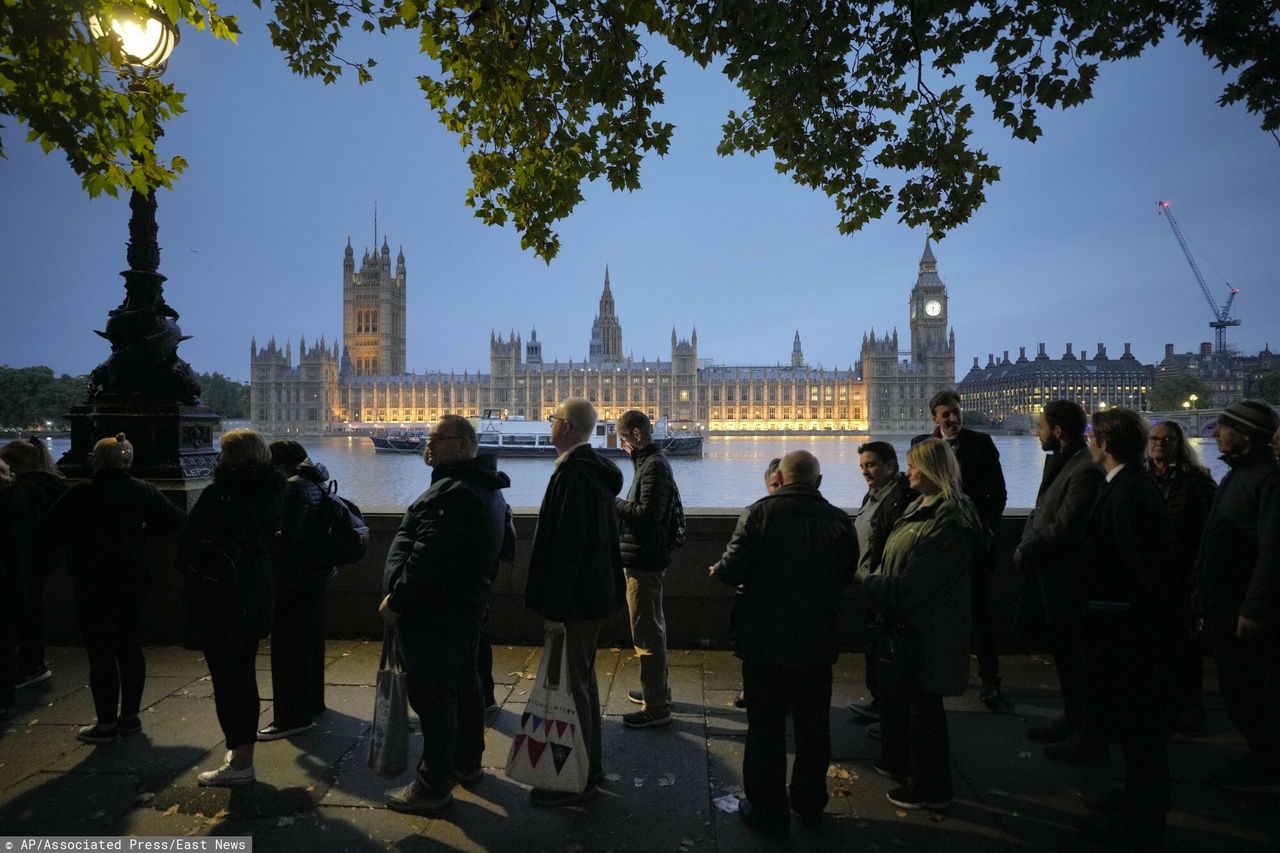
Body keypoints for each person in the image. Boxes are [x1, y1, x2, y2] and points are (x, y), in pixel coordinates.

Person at [709, 450, 856, 839]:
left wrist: (722, 569)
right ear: (817, 482)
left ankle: (768, 811)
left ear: (783, 478)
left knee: (765, 729)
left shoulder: (758, 514)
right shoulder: (841, 521)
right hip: (817, 641)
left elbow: (731, 571)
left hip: (765, 641)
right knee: (813, 727)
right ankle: (809, 804)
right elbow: (846, 576)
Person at [380, 414, 514, 814]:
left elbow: (428, 558)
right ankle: (466, 764)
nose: (428, 443)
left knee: (433, 698)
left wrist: (398, 600)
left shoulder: (455, 492)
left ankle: (432, 786)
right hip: (468, 607)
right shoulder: (487, 489)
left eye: (437, 438)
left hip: (435, 614)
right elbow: (504, 549)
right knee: (466, 684)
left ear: (462, 444)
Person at [856, 438, 986, 812]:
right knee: (913, 705)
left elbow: (917, 584)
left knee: (925, 712)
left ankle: (932, 788)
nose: (907, 472)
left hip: (928, 628)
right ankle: (907, 767)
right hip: (908, 624)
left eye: (913, 466)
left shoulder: (949, 518)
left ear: (931, 471)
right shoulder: (922, 504)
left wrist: (864, 583)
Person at [1074, 408, 1179, 850]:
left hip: (1129, 629)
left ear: (1105, 444)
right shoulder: (1129, 485)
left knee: (1140, 727)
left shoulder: (1129, 493)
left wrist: (1114, 612)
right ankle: (1135, 796)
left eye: (1093, 435)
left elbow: (1142, 569)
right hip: (1126, 624)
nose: (1089, 442)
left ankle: (1143, 819)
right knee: (1134, 727)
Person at [41, 433, 185, 743]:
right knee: (129, 645)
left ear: (98, 460)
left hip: (94, 579)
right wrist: (143, 530)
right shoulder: (142, 490)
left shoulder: (82, 493)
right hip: (134, 577)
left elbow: (48, 528)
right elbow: (176, 521)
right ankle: (130, 717)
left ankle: (105, 724)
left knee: (101, 652)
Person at [524, 397, 625, 807]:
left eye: (552, 418)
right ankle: (590, 765)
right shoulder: (593, 472)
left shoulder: (572, 476)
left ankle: (577, 781)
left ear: (565, 427)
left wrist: (555, 609)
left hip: (576, 601)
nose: (549, 424)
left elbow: (567, 548)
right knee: (582, 681)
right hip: (594, 594)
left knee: (573, 687)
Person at [178, 429, 283, 787]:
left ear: (234, 459)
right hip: (256, 595)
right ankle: (243, 752)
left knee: (228, 681)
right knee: (244, 676)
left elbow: (191, 543)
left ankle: (240, 762)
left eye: (222, 453)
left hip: (223, 599)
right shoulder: (273, 491)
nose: (217, 459)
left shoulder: (221, 495)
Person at [1193, 400, 1280, 792]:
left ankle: (1265, 762)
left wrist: (1254, 607)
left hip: (1241, 606)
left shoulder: (1268, 482)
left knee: (1250, 688)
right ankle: (1259, 754)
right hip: (1221, 600)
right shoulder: (1237, 476)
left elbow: (1273, 551)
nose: (1215, 433)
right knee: (1235, 686)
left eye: (1224, 428)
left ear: (1245, 435)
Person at [1012, 401, 1104, 759]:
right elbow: (1042, 511)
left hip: (1071, 578)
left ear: (1058, 432)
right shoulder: (1063, 460)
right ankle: (1073, 720)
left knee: (1080, 661)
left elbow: (1066, 525)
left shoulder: (1086, 468)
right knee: (1066, 657)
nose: (1037, 432)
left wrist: (1028, 551)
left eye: (1041, 427)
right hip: (1051, 575)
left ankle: (1090, 740)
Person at [917, 390, 1008, 709]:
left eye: (957, 412)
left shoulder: (981, 443)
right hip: (934, 543)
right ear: (935, 418)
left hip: (971, 542)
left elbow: (997, 493)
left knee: (979, 615)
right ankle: (938, 676)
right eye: (946, 414)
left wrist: (988, 529)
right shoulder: (921, 444)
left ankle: (990, 682)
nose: (953, 419)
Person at [257, 440, 335, 741]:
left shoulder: (293, 488)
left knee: (287, 650)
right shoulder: (316, 481)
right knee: (310, 643)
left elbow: (288, 539)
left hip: (294, 579)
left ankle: (291, 716)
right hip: (316, 575)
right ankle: (313, 703)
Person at [1144, 420, 1216, 737]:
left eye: (1167, 439)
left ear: (1178, 444)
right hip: (1151, 575)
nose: (1159, 444)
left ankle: (1190, 709)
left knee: (1184, 649)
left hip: (1183, 574)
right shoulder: (1143, 479)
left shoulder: (1196, 481)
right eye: (1155, 439)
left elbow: (1209, 530)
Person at [615, 410, 679, 729]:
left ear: (638, 435)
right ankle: (657, 691)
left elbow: (647, 514)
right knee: (652, 626)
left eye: (624, 439)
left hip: (645, 561)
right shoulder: (649, 463)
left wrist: (611, 502)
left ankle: (656, 708)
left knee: (646, 634)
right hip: (645, 558)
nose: (622, 446)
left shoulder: (654, 466)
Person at [849, 441, 917, 730]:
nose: (866, 471)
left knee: (888, 655)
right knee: (875, 649)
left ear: (892, 465)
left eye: (872, 465)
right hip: (870, 583)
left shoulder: (900, 497)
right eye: (863, 466)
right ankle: (881, 706)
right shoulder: (875, 494)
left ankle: (892, 720)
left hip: (883, 584)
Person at [1, 439, 68, 690]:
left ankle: (28, 665)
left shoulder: (19, 493)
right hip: (46, 558)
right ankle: (32, 664)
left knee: (20, 615)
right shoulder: (56, 486)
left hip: (23, 560)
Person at [728, 458, 782, 711]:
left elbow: (735, 562)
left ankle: (753, 693)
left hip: (763, 600)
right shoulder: (832, 516)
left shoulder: (756, 514)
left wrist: (721, 570)